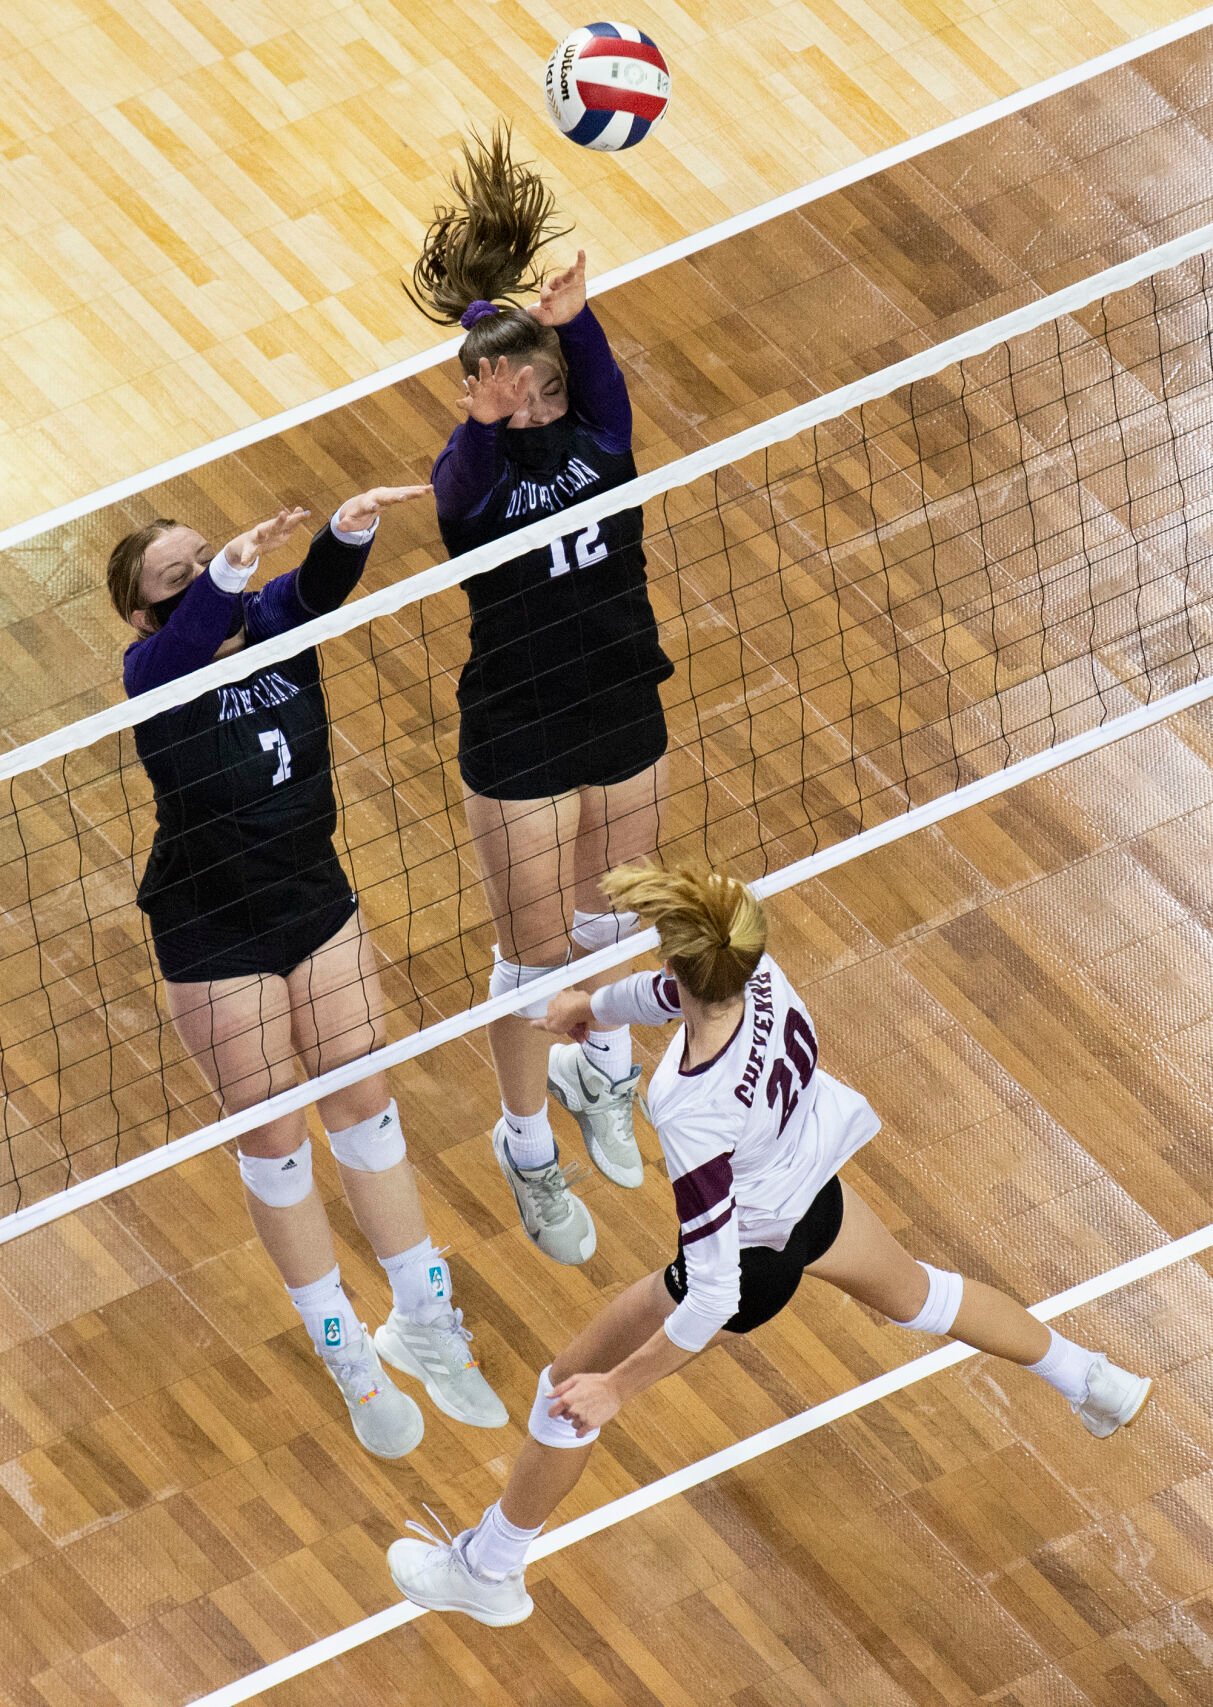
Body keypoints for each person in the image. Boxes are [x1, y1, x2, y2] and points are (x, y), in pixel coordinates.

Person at [386, 861, 1154, 1623]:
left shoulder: (687, 1106)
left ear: (672, 960)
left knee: (566, 1389)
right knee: (925, 1295)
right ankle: (1090, 1378)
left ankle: (488, 1569)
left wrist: (618, 1388)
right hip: (813, 1193)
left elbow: (717, 1289)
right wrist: (591, 1005)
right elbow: (676, 995)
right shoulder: (758, 976)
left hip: (748, 1260)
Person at [108, 489, 508, 1457]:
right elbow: (190, 633)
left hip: (310, 897)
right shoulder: (153, 670)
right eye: (181, 576)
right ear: (144, 613)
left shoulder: (273, 624)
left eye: (210, 555)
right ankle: (344, 1350)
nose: (208, 574)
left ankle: (420, 1316)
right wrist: (227, 575)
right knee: (276, 1136)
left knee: (364, 1103)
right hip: (213, 927)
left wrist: (348, 529)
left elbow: (320, 585)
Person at [407, 126, 674, 1266]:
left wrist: (575, 317)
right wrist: (479, 418)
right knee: (533, 954)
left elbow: (598, 374)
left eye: (537, 386)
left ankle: (601, 1073)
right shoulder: (473, 482)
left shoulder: (602, 433)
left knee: (617, 917)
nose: (523, 402)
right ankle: (524, 1144)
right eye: (501, 391)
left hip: (620, 696)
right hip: (515, 722)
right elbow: (454, 483)